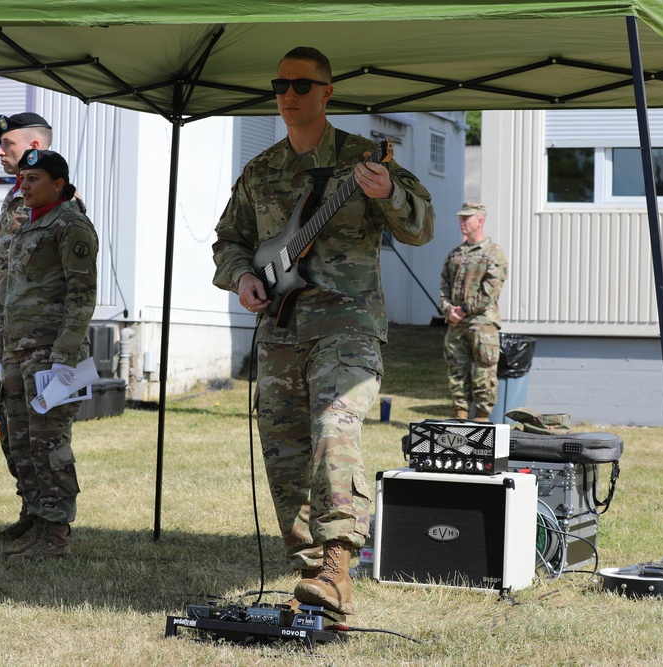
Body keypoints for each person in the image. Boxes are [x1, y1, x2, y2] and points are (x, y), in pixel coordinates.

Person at [211, 46, 434, 615]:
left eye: (302, 85)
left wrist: (389, 194)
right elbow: (229, 241)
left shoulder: (364, 159)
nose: (289, 94)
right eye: (280, 83)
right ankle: (313, 574)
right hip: (282, 330)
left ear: (328, 92)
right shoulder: (260, 170)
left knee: (335, 428)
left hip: (348, 324)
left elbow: (422, 225)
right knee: (285, 454)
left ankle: (338, 561)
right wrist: (242, 278)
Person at [0, 148, 97, 560]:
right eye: (23, 177)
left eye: (34, 178)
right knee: (22, 441)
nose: (25, 184)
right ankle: (38, 523)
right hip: (19, 350)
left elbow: (82, 296)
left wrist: (65, 355)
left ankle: (55, 535)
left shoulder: (71, 225)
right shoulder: (30, 223)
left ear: (59, 183)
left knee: (48, 444)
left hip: (51, 354)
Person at [0, 112, 54, 541]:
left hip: (38, 337)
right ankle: (30, 509)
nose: (0, 151)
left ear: (33, 146)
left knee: (41, 432)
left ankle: (50, 521)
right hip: (7, 334)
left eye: (7, 143)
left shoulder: (57, 199)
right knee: (12, 427)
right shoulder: (13, 198)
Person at [439, 202, 508, 421]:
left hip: (482, 324)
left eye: (466, 218)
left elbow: (490, 291)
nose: (462, 222)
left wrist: (465, 310)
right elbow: (444, 286)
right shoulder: (455, 255)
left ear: (480, 221)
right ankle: (459, 416)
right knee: (457, 372)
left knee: (484, 373)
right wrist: (449, 310)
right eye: (460, 218)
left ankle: (481, 418)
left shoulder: (494, 254)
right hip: (456, 324)